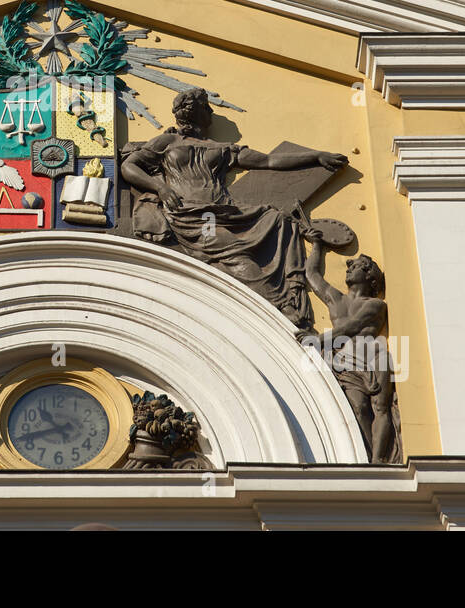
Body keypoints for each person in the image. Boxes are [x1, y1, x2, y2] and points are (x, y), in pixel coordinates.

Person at [120, 87, 346, 328]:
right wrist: (160, 188)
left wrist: (316, 157)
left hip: (224, 210)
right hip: (191, 214)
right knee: (232, 250)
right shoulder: (167, 141)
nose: (209, 111)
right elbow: (129, 167)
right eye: (205, 106)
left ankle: (291, 291)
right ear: (194, 111)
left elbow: (268, 161)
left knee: (279, 220)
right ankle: (280, 305)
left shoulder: (221, 148)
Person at [304, 236, 403, 463]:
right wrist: (317, 245)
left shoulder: (375, 304)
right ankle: (366, 458)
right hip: (346, 362)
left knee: (380, 407)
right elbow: (312, 275)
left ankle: (379, 459)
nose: (349, 271)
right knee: (358, 408)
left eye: (356, 267)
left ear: (369, 276)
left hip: (374, 358)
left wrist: (319, 340)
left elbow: (352, 327)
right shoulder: (336, 299)